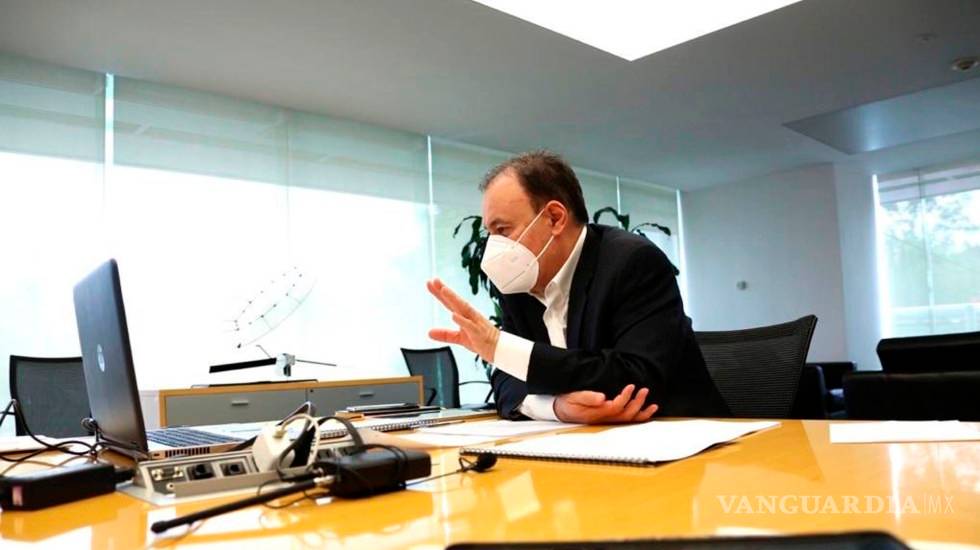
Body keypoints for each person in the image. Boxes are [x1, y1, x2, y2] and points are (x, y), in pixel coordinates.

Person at [427, 151, 728, 423]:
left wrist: (499, 347)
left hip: (682, 436)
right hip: (584, 444)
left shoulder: (632, 261)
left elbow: (637, 376)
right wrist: (557, 408)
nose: (494, 247)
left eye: (503, 230)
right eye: (490, 233)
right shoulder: (518, 285)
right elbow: (506, 382)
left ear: (555, 218)